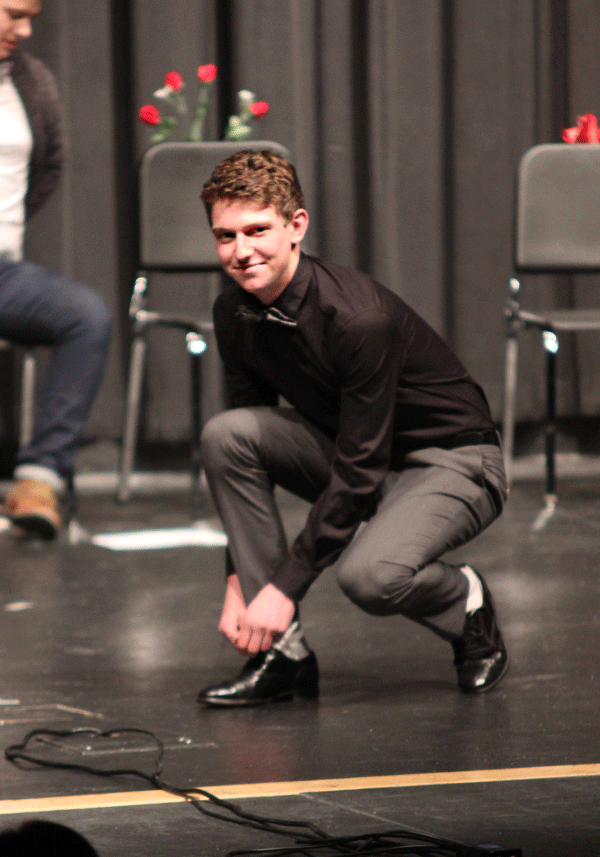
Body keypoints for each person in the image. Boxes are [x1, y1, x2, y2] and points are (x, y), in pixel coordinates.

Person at [196, 149, 509, 707]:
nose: (241, 253)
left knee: (369, 577)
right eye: (225, 236)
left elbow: (360, 467)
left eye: (256, 230)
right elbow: (254, 441)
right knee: (229, 433)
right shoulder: (235, 314)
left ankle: (467, 603)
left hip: (453, 459)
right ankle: (282, 655)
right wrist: (240, 585)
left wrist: (282, 589)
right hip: (365, 455)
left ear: (297, 227)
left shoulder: (357, 318)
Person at [0, 0, 112, 538]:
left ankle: (38, 479)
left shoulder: (31, 79)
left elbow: (50, 163)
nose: (22, 30)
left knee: (85, 316)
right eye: (11, 14)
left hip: (2, 271)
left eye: (29, 19)